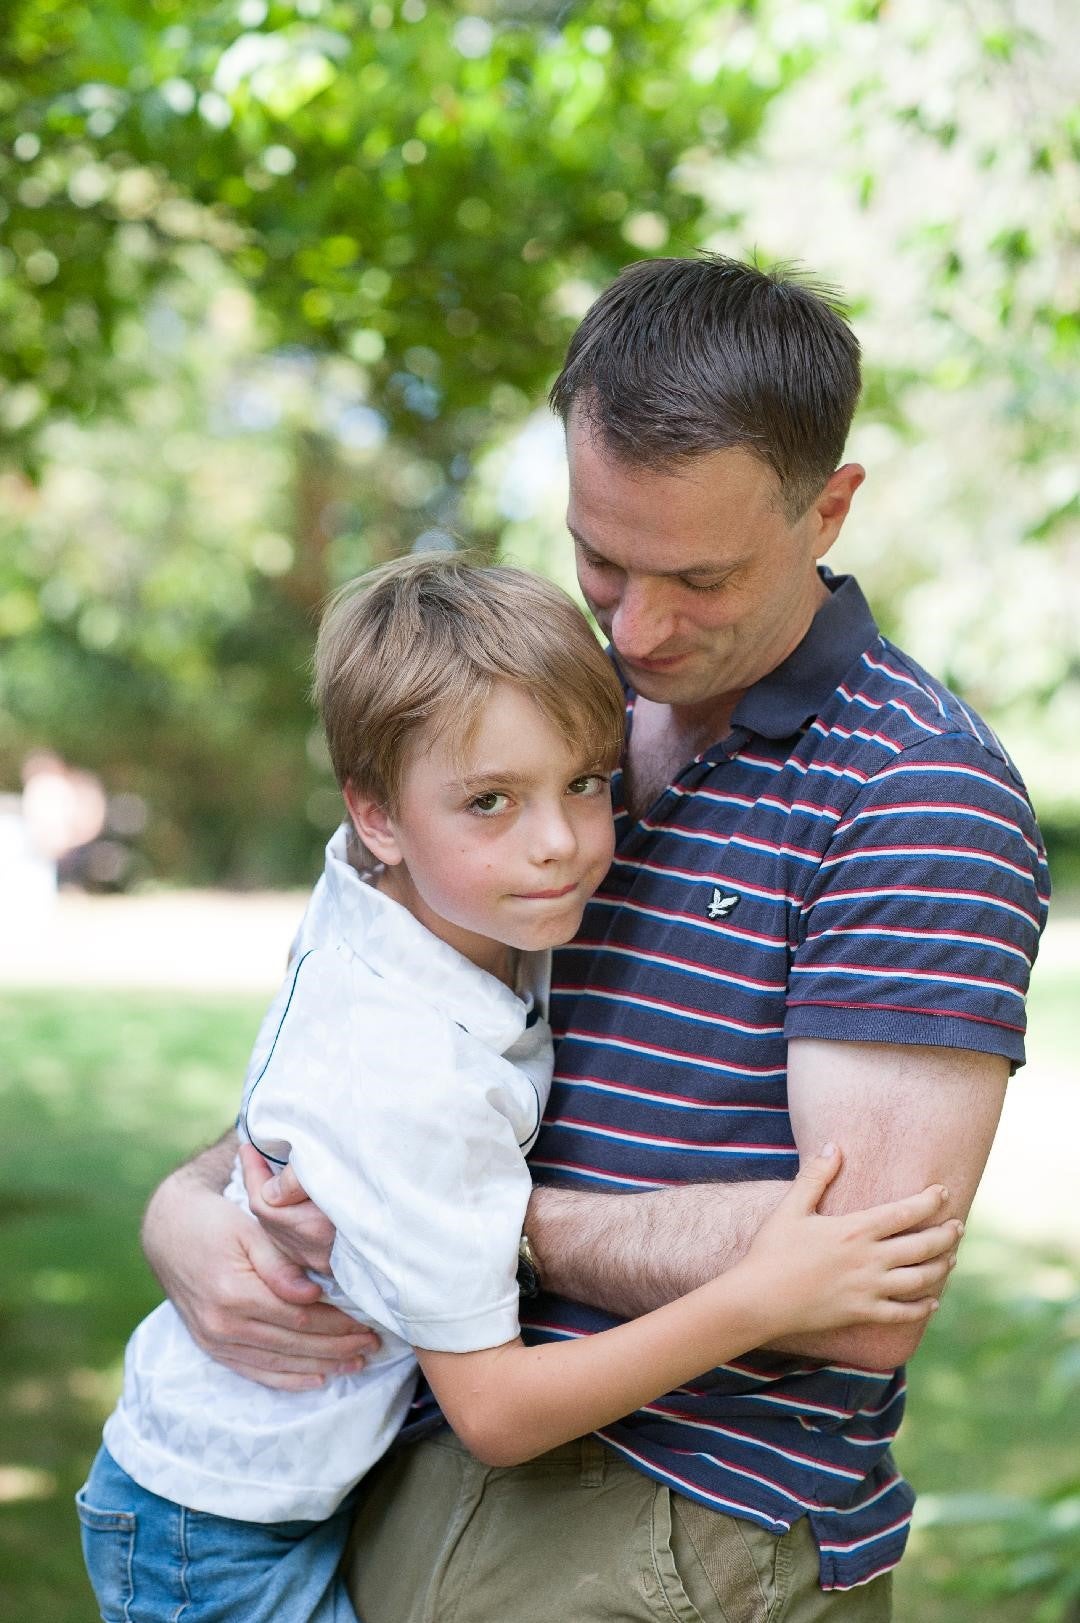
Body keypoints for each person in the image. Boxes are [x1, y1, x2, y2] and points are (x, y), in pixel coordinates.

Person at [140, 257, 1050, 1621]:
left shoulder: (913, 789)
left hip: (669, 1510)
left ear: (830, 507)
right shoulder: (549, 712)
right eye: (601, 559)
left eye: (699, 575)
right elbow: (383, 1035)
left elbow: (860, 1274)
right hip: (400, 1441)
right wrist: (193, 1206)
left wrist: (440, 1224)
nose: (637, 626)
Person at [77, 553, 958, 1623]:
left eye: (586, 783)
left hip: (276, 1476)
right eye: (490, 802)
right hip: (212, 1529)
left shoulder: (406, 892)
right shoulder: (411, 1072)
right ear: (379, 816)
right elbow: (494, 1410)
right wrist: (757, 1299)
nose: (559, 848)